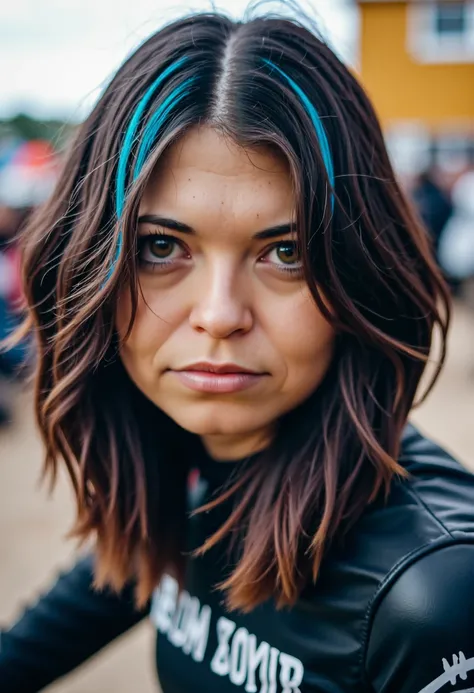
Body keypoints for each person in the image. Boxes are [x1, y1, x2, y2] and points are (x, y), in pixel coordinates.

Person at [1, 10, 473, 693]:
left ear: (361, 279)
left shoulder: (433, 597)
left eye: (287, 252)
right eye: (162, 247)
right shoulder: (187, 471)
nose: (220, 315)